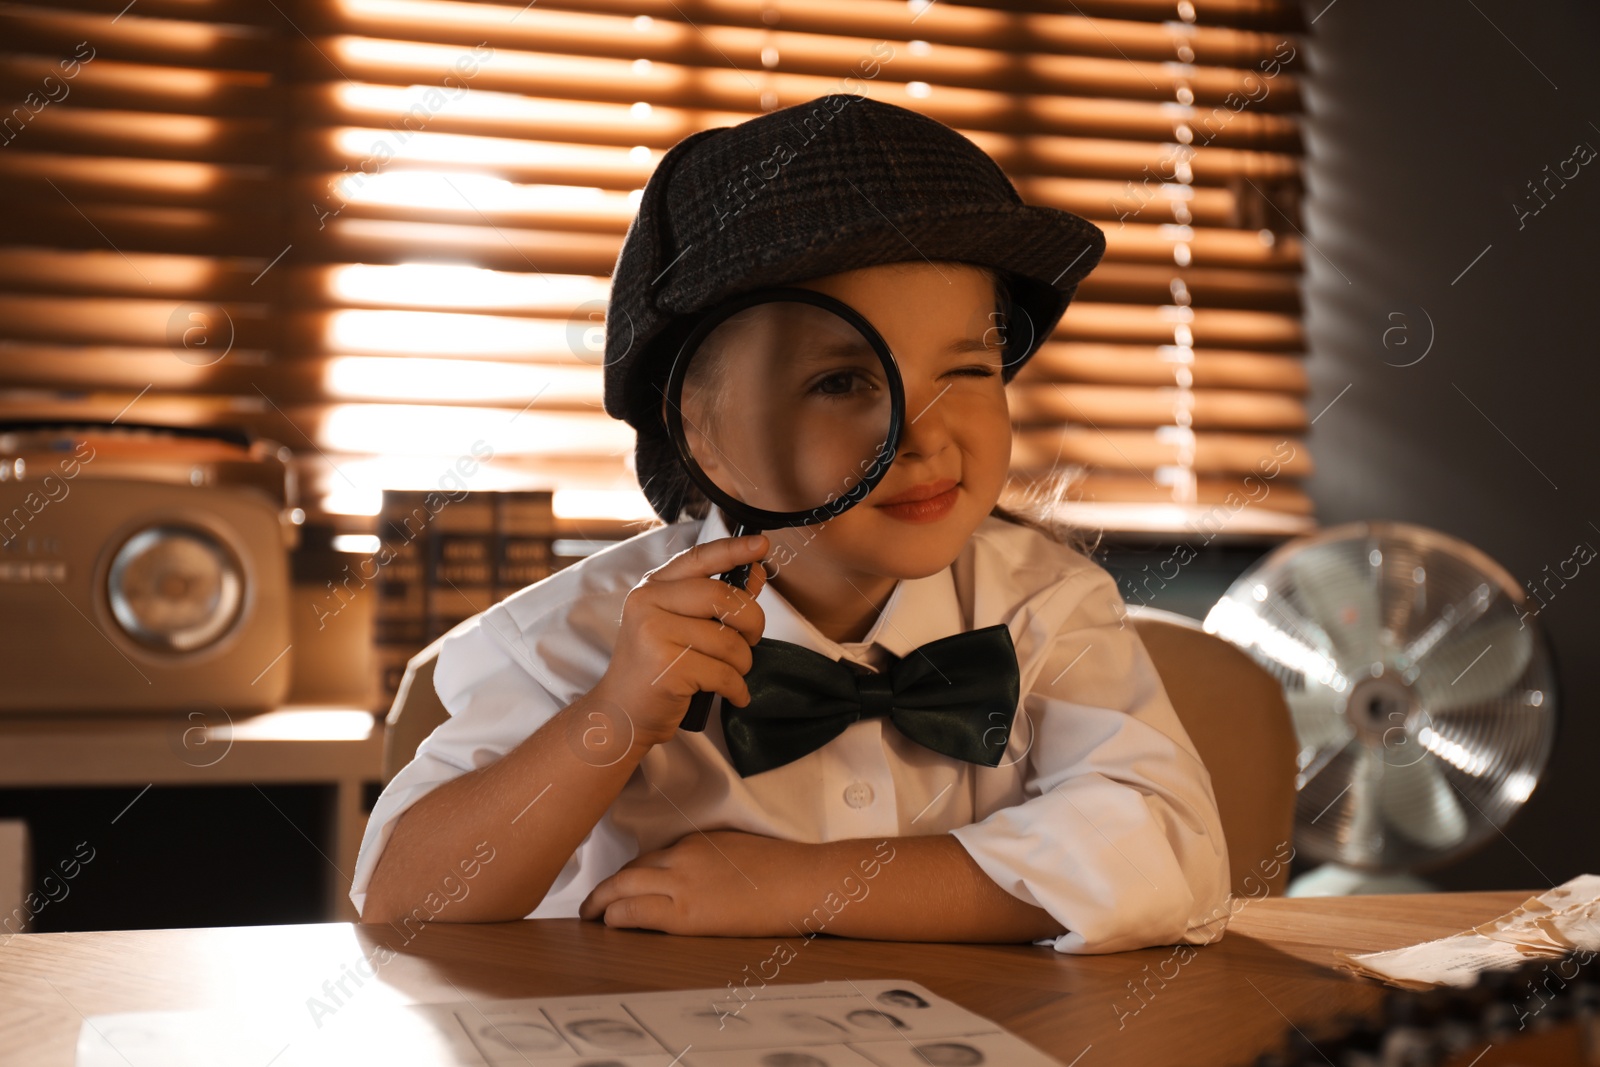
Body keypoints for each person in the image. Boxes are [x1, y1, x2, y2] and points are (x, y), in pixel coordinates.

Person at [351, 93, 1232, 954]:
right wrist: (614, 713)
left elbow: (1172, 854)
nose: (924, 437)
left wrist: (799, 884)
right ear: (700, 429)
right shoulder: (575, 637)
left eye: (967, 368)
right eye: (842, 382)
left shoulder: (1050, 605)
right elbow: (404, 903)